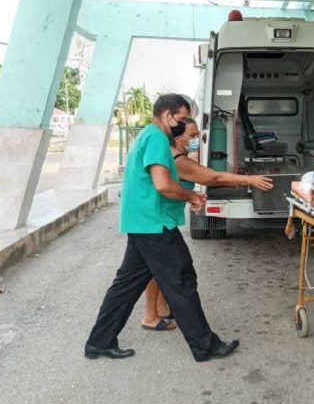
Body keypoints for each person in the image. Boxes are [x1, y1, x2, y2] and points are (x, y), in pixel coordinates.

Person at [85, 94, 239, 362]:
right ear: (168, 115)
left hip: (141, 222)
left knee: (126, 286)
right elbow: (163, 184)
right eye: (182, 118)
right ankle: (205, 346)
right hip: (153, 224)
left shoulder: (147, 134)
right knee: (181, 281)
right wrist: (190, 196)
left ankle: (99, 341)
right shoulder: (157, 137)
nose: (184, 126)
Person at [141, 117, 275, 330]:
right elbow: (214, 177)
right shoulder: (179, 160)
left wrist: (191, 197)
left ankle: (160, 309)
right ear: (177, 138)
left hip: (158, 218)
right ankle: (153, 316)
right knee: (164, 270)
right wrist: (250, 180)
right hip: (155, 221)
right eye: (192, 136)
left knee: (151, 268)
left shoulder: (174, 155)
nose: (197, 139)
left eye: (198, 135)